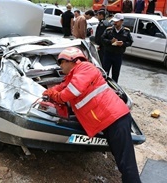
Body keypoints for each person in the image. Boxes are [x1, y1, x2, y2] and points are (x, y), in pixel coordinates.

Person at [42, 47, 141, 183]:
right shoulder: (73, 75)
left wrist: (56, 96)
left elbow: (71, 92)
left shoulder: (85, 68)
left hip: (115, 119)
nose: (60, 66)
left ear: (70, 59)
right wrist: (48, 92)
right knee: (121, 158)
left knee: (126, 162)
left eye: (61, 62)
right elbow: (62, 86)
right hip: (108, 120)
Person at [101, 13, 133, 83]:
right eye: (114, 21)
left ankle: (114, 90)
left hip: (118, 55)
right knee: (105, 73)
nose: (115, 23)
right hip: (108, 54)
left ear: (121, 21)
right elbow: (102, 39)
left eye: (117, 21)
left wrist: (123, 44)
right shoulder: (109, 30)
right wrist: (110, 41)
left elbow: (130, 42)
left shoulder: (126, 31)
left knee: (115, 74)